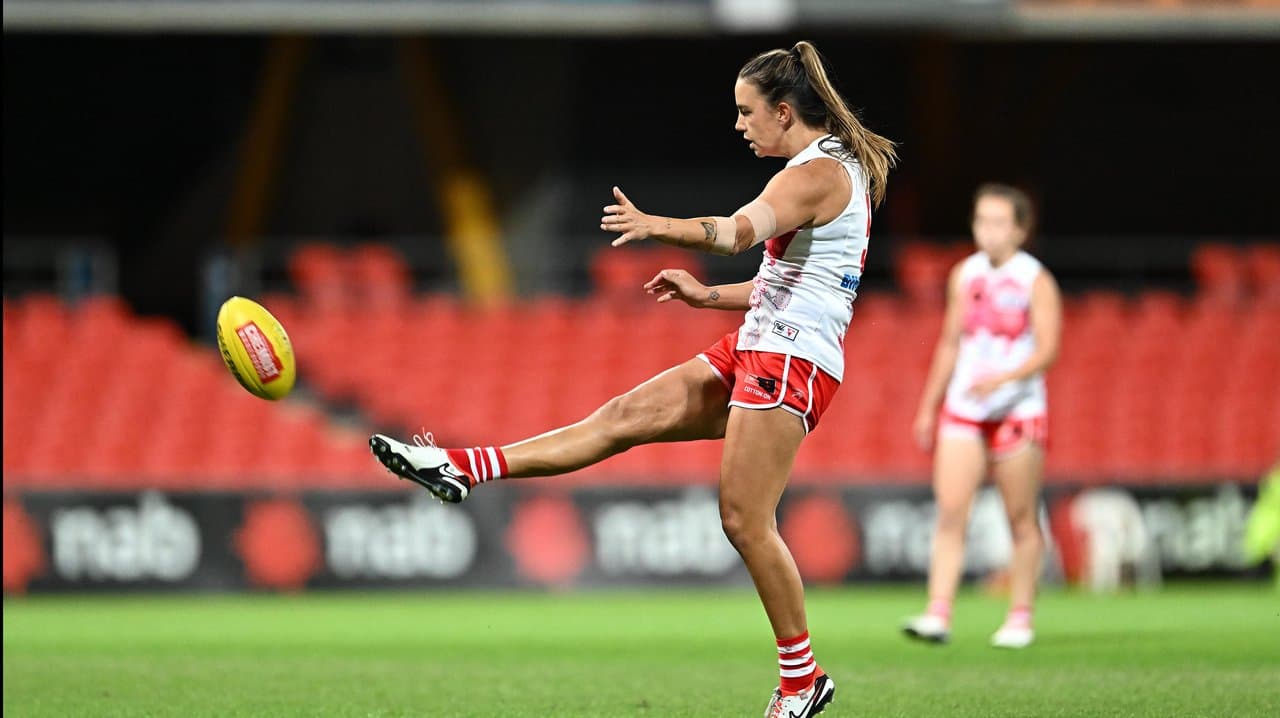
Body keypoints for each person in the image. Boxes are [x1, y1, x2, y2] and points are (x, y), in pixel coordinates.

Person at [370, 40, 895, 717]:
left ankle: (803, 680)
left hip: (790, 360)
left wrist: (656, 226)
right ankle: (458, 466)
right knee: (622, 417)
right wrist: (708, 297)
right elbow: (788, 282)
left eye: (747, 112)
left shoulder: (814, 174)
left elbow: (734, 234)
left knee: (745, 519)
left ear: (785, 112)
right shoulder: (824, 169)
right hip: (761, 342)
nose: (739, 124)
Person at [902, 184, 1062, 649]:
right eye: (981, 221)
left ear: (1020, 230)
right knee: (952, 511)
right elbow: (950, 343)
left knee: (1021, 517)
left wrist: (1004, 379)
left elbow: (1048, 349)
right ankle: (938, 612)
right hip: (966, 406)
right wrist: (929, 406)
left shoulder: (1035, 280)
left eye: (998, 222)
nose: (987, 231)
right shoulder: (965, 274)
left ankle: (1020, 614)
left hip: (1017, 407)